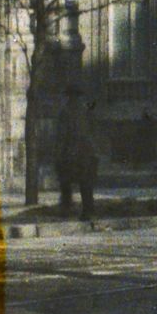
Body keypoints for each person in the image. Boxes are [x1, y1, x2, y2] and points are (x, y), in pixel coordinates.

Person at [54, 90, 98, 219]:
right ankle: (88, 212)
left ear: (69, 96)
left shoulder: (65, 112)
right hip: (88, 151)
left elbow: (62, 134)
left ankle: (66, 210)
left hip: (70, 151)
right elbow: (94, 130)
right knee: (86, 184)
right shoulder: (87, 111)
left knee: (65, 181)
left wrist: (58, 153)